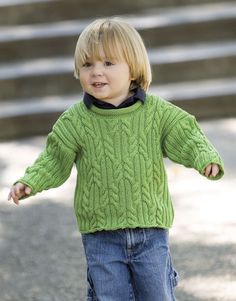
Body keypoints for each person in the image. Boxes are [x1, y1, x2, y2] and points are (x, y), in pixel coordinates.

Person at [8, 18, 224, 301]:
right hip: (100, 235)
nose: (96, 72)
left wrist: (204, 157)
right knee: (109, 296)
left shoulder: (157, 113)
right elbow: (53, 157)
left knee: (157, 295)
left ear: (133, 68)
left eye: (108, 63)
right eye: (87, 65)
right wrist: (30, 181)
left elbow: (186, 135)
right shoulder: (75, 121)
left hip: (150, 230)